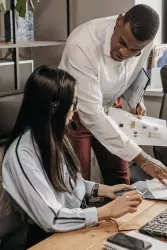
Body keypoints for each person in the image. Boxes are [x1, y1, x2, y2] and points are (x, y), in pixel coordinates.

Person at [2, 66, 143, 248]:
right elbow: (51, 217)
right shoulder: (21, 155)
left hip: (72, 227)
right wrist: (107, 210)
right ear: (54, 107)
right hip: (48, 239)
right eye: (73, 103)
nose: (75, 110)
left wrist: (102, 189)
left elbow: (63, 183)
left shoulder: (50, 138)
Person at [59, 4, 167, 186]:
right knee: (79, 183)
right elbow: (92, 114)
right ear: (118, 22)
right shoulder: (82, 43)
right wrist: (144, 159)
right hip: (76, 112)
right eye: (122, 43)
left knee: (121, 179)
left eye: (134, 51)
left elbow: (132, 72)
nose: (125, 53)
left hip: (110, 107)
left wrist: (137, 99)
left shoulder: (143, 44)